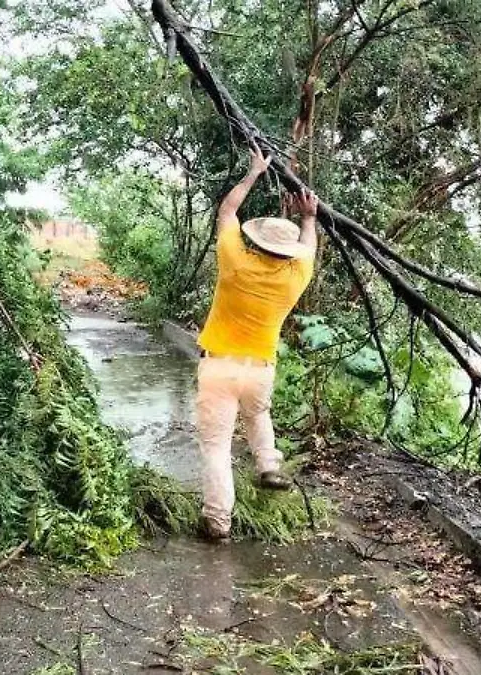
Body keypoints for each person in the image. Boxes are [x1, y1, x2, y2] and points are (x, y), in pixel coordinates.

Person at [196, 145, 318, 541]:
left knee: (216, 448)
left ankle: (217, 521)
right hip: (260, 370)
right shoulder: (294, 278)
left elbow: (227, 212)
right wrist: (309, 216)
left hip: (219, 368)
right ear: (287, 252)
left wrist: (252, 174)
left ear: (256, 242)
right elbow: (310, 245)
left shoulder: (235, 262)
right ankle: (268, 463)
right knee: (258, 414)